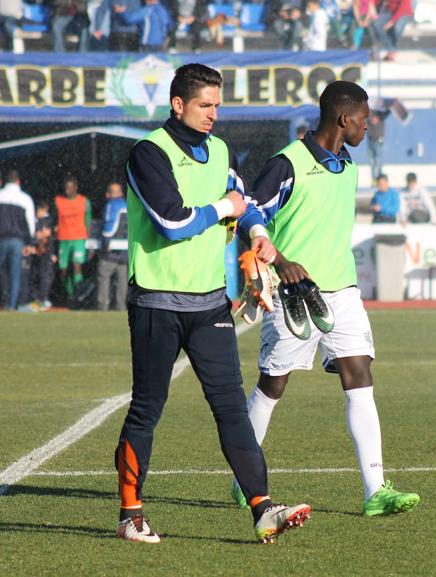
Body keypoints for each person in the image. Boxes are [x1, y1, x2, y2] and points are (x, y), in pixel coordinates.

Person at [115, 63, 311, 544]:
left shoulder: (220, 150)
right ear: (178, 104)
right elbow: (171, 221)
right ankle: (130, 515)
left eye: (217, 105)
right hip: (157, 304)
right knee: (147, 408)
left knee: (230, 409)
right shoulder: (148, 153)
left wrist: (260, 235)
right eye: (205, 105)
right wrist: (226, 209)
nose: (213, 115)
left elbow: (242, 199)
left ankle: (263, 509)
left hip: (209, 306)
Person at [234, 80, 420, 517]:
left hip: (343, 291)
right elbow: (250, 211)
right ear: (343, 118)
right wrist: (278, 260)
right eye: (364, 117)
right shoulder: (288, 163)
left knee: (360, 378)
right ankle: (244, 476)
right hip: (293, 295)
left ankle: (375, 491)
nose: (368, 124)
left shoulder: (349, 163)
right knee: (273, 385)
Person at [0, 170, 35, 310]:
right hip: (17, 240)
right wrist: (29, 243)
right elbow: (30, 223)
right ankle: (11, 305)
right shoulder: (25, 198)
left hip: (1, 239)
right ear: (18, 181)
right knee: (15, 274)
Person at [55, 176, 92, 305]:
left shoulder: (84, 201)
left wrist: (88, 239)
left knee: (77, 266)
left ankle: (78, 294)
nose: (67, 190)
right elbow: (54, 218)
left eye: (70, 187)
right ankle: (68, 294)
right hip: (63, 238)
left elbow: (88, 220)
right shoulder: (58, 201)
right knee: (63, 269)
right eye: (66, 188)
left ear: (75, 187)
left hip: (78, 238)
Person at [97, 182, 128, 311]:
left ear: (108, 194)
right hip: (126, 248)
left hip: (112, 248)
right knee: (122, 279)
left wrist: (106, 241)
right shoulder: (128, 205)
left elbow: (110, 224)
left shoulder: (111, 205)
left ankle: (103, 305)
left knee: (104, 277)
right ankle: (121, 306)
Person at [30, 200, 57, 310]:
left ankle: (43, 299)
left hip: (47, 252)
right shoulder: (35, 220)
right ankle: (37, 299)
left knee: (45, 275)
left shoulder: (49, 221)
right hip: (37, 252)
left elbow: (51, 237)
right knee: (35, 275)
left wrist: (53, 253)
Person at [366, 103, 390, 182]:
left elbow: (387, 112)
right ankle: (374, 179)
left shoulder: (381, 119)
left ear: (378, 118)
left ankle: (380, 178)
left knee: (378, 161)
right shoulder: (369, 118)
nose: (373, 120)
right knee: (371, 161)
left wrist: (390, 103)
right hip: (370, 141)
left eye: (375, 119)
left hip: (378, 142)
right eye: (372, 118)